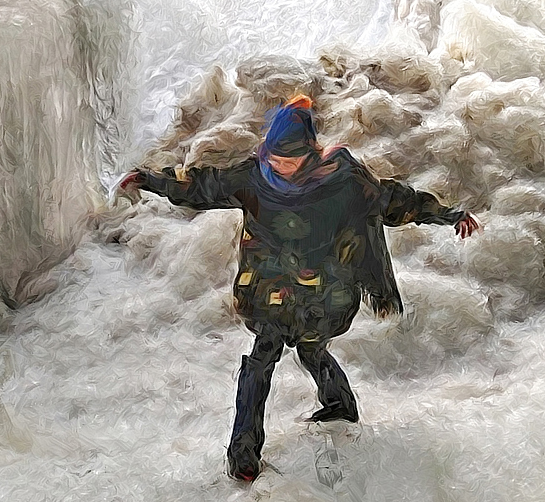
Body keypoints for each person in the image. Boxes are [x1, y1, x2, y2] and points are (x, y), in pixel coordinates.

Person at [119, 94, 481, 481]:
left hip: (325, 295)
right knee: (260, 362)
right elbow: (202, 187)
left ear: (310, 153)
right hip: (269, 292)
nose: (280, 167)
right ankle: (245, 456)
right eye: (274, 158)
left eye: (288, 160)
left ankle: (340, 409)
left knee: (311, 348)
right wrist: (150, 181)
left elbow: (395, 201)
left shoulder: (344, 181)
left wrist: (448, 215)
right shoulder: (254, 176)